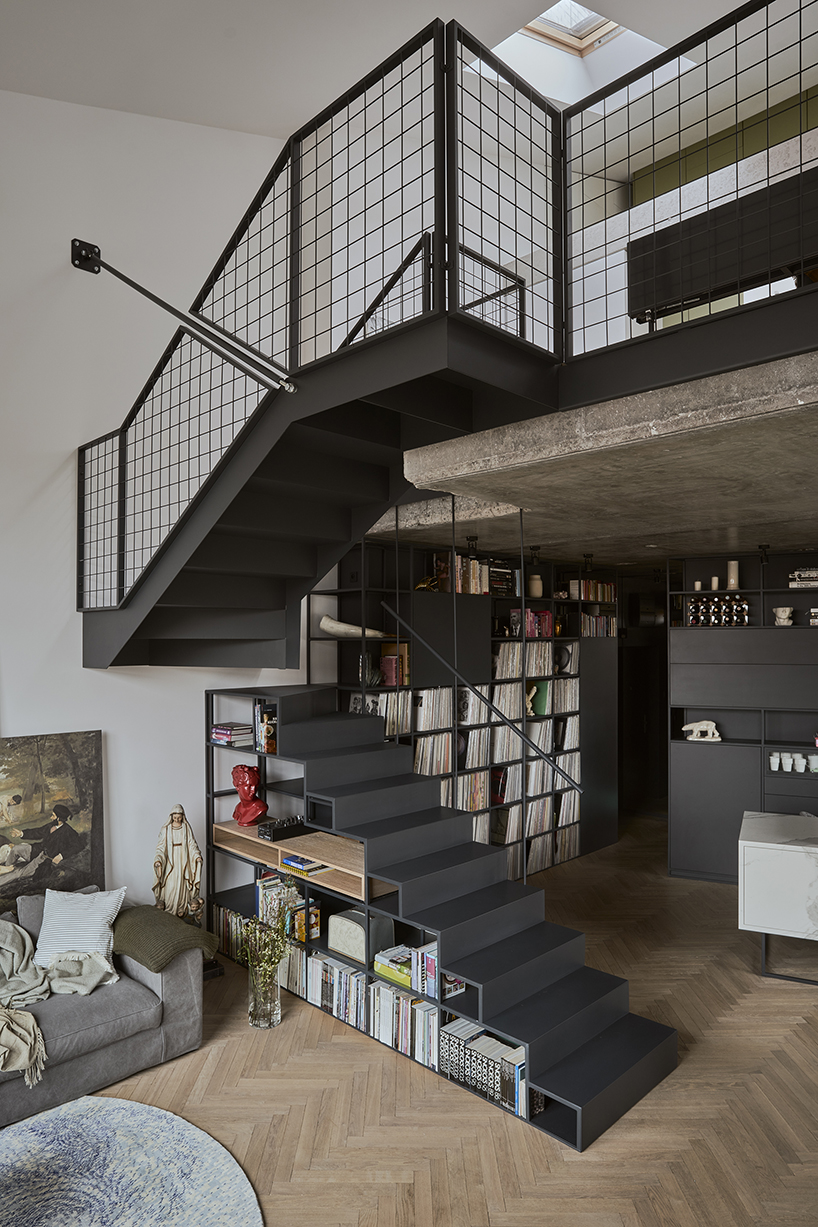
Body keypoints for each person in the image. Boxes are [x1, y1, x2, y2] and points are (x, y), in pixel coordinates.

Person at [152, 804, 204, 924]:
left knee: (182, 886)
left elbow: (191, 844)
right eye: (175, 817)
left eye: (179, 817)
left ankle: (182, 910)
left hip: (183, 861)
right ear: (171, 816)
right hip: (170, 863)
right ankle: (170, 911)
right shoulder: (166, 829)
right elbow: (161, 847)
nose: (177, 819)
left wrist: (196, 856)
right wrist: (158, 860)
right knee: (170, 886)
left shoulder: (186, 828)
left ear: (183, 816)